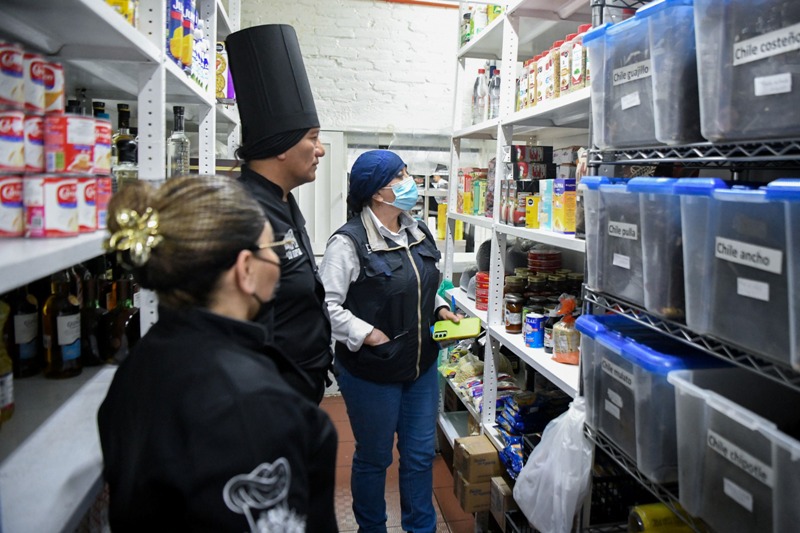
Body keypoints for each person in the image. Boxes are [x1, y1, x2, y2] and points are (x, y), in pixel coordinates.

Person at [97, 176, 338, 533]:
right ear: (245, 269)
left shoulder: (145, 358)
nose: (277, 260)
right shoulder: (247, 404)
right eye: (271, 247)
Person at [319, 150, 461, 533]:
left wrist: (439, 307)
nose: (409, 182)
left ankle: (421, 529)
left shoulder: (419, 230)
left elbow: (425, 285)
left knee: (419, 456)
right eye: (399, 176)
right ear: (376, 192)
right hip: (372, 371)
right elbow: (324, 306)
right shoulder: (348, 243)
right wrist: (367, 334)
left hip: (421, 367)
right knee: (374, 458)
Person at [225, 24, 333, 404]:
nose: (320, 149)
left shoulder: (283, 199)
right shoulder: (244, 213)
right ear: (282, 146)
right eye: (313, 137)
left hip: (302, 385)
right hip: (271, 397)